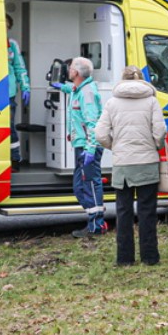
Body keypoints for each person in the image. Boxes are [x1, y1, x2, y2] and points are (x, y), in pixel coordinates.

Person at [96, 66, 166, 266]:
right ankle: (150, 256)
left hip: (123, 164)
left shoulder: (112, 102)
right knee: (147, 211)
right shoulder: (151, 101)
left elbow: (100, 134)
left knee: (123, 212)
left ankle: (124, 258)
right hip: (147, 163)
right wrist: (155, 146)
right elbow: (160, 131)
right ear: (142, 79)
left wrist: (115, 146)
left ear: (123, 79)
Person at [56, 56, 107, 237]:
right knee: (79, 188)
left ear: (76, 72)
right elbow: (72, 90)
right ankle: (96, 219)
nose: (68, 70)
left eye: (70, 68)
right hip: (81, 145)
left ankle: (96, 226)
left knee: (90, 184)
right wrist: (61, 86)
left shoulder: (87, 93)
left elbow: (92, 123)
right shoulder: (79, 89)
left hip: (88, 147)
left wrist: (90, 149)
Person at [5, 14, 31, 166]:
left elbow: (19, 67)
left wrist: (25, 87)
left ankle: (15, 158)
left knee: (9, 126)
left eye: (6, 26)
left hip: (8, 93)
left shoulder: (12, 45)